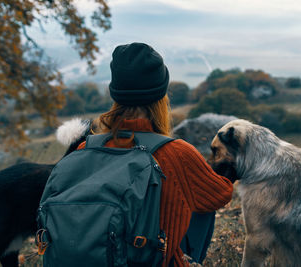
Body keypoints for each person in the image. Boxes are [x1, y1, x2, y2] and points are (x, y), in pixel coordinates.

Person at [77, 42, 234, 266]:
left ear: (115, 96)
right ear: (160, 98)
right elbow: (220, 195)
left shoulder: (85, 150)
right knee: (204, 207)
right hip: (154, 259)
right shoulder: (177, 153)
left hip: (94, 257)